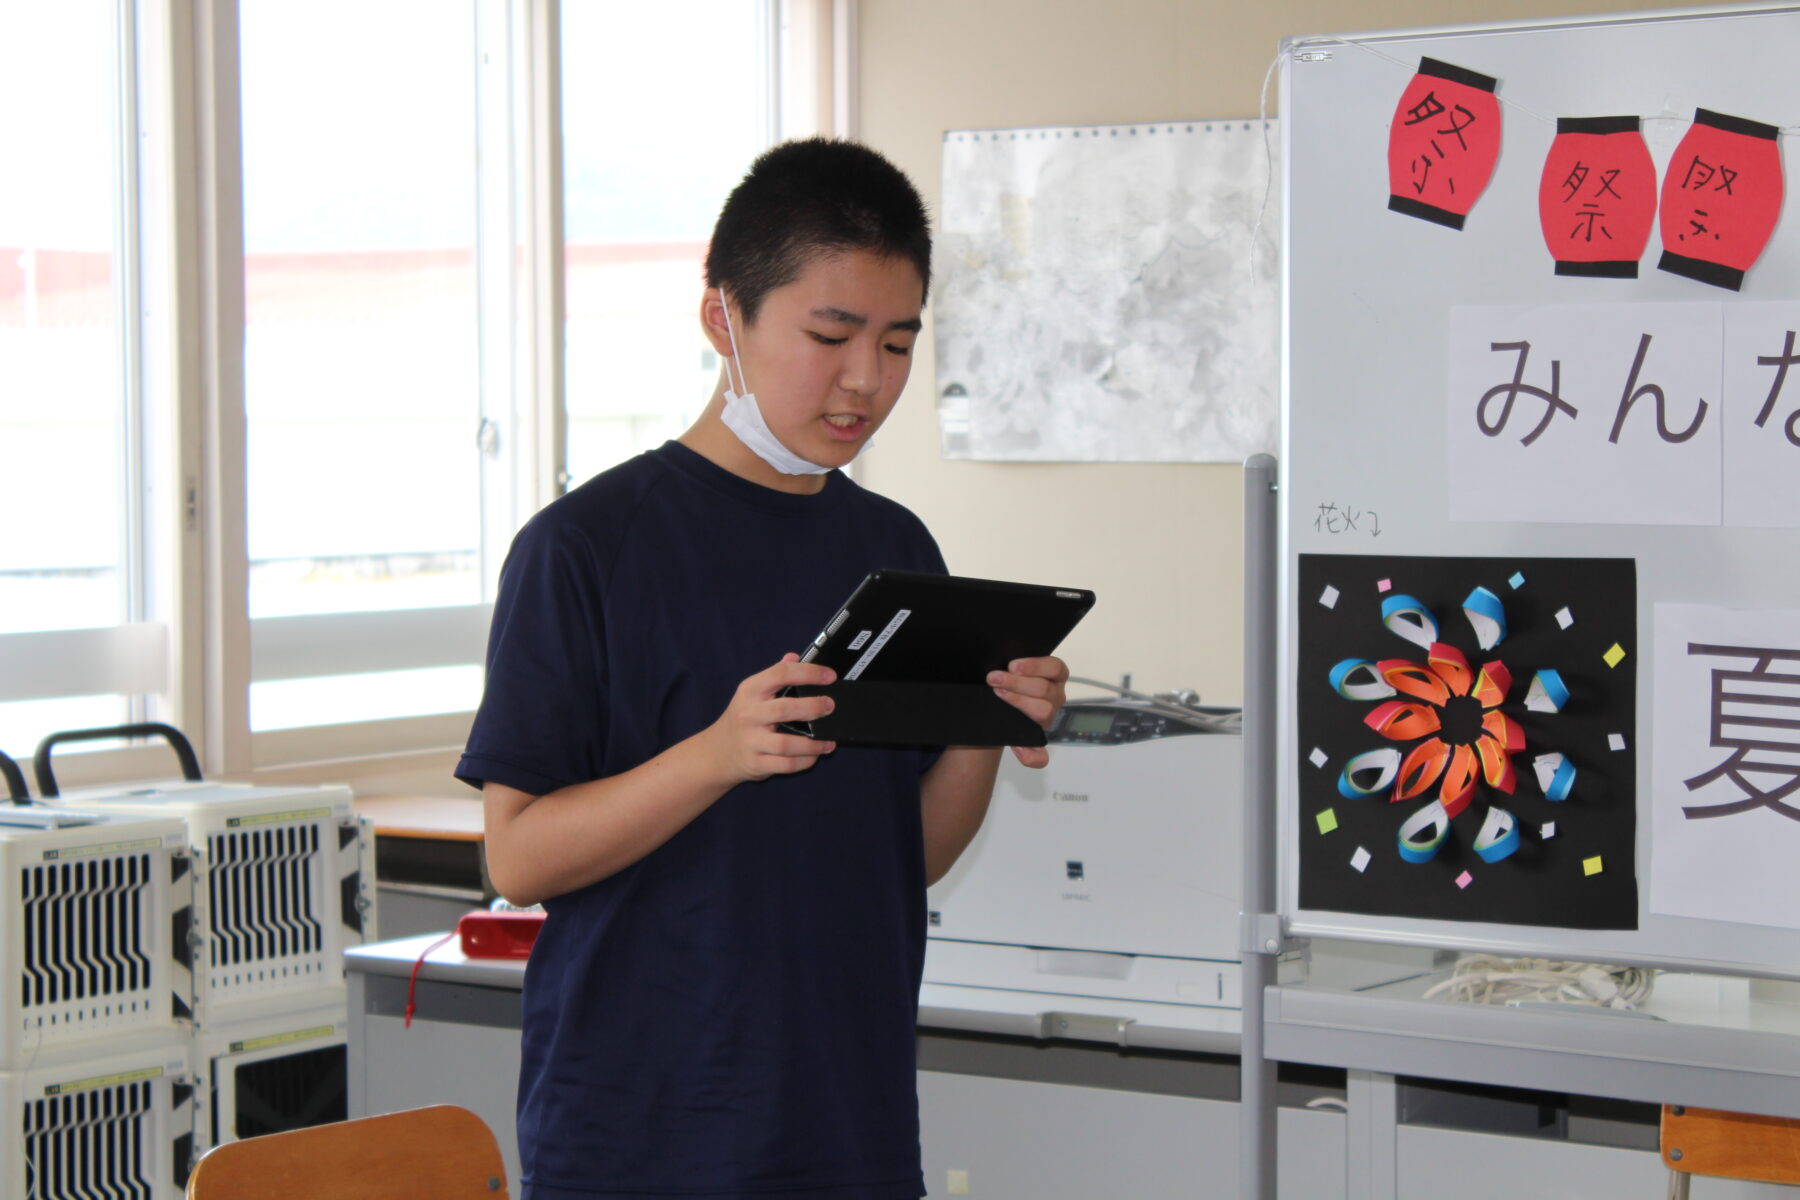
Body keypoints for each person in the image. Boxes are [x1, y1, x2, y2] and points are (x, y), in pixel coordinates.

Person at [457, 137, 1070, 1200]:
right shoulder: (585, 549)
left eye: (896, 342)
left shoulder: (897, 553)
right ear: (722, 318)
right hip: (640, 1134)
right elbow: (518, 857)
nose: (865, 380)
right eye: (829, 335)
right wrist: (714, 757)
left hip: (849, 1124)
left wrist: (983, 726)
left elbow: (900, 857)